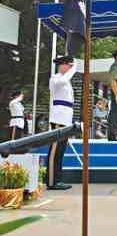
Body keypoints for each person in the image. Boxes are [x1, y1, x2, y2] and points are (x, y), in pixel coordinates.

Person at [47, 56, 77, 190]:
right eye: (69, 65)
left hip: (65, 118)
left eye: (71, 66)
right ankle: (52, 181)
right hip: (58, 118)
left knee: (61, 151)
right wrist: (75, 67)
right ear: (62, 65)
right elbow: (63, 80)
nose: (71, 68)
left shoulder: (65, 80)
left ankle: (58, 179)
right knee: (55, 150)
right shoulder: (56, 78)